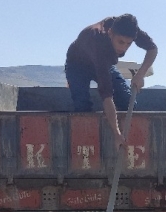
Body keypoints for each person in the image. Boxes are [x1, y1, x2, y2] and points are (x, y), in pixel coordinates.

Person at [65, 14, 158, 149]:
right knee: (82, 105)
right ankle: (88, 146)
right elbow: (107, 95)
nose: (124, 48)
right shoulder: (97, 41)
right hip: (77, 64)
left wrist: (140, 75)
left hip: (105, 63)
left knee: (128, 100)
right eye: (120, 42)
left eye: (128, 43)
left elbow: (152, 49)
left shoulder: (132, 30)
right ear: (110, 33)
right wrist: (116, 133)